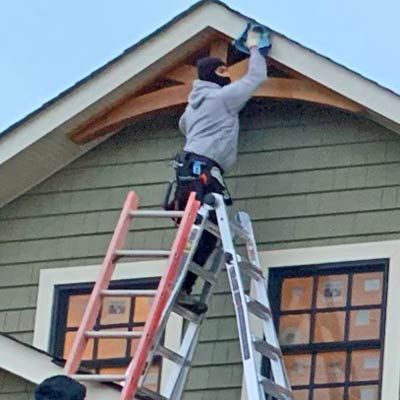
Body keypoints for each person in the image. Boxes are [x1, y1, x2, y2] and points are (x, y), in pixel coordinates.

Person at [169, 30, 268, 310]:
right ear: (214, 75)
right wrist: (256, 50)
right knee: (209, 234)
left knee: (199, 233)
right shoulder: (222, 98)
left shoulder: (192, 107)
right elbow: (255, 78)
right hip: (203, 173)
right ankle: (181, 287)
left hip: (186, 173)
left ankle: (182, 286)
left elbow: (183, 126)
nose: (227, 76)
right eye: (223, 71)